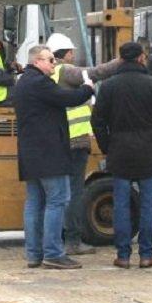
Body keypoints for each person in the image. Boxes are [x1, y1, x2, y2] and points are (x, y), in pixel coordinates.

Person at [92, 42, 152, 269]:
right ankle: (147, 255)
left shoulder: (108, 87)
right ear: (140, 58)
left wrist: (107, 146)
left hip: (119, 152)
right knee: (149, 205)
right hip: (149, 152)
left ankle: (123, 255)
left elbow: (97, 121)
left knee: (121, 205)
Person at [14, 44, 95, 270]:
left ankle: (33, 254)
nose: (54, 63)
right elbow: (67, 98)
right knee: (58, 200)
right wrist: (88, 88)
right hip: (49, 154)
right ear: (36, 62)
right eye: (50, 60)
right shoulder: (40, 83)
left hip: (30, 154)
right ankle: (53, 253)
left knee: (34, 203)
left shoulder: (23, 83)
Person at [45, 32, 120, 256]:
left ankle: (56, 239)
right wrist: (121, 61)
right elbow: (95, 73)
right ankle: (73, 241)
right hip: (75, 142)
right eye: (72, 52)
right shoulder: (66, 71)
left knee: (57, 194)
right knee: (74, 192)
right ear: (66, 53)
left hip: (56, 141)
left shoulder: (47, 74)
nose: (73, 56)